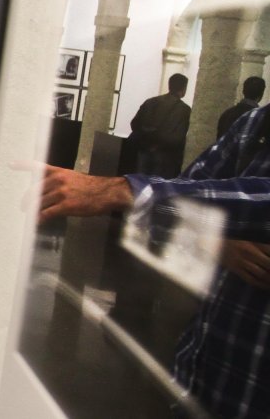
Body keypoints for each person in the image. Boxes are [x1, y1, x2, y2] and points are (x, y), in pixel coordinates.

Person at [41, 104, 270, 418]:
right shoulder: (257, 122)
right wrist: (218, 240)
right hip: (205, 381)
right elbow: (190, 193)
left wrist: (121, 191)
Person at [129, 72, 192, 177]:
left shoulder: (150, 102)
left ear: (169, 85)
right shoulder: (185, 110)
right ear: (184, 88)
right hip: (165, 157)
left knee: (139, 185)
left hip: (143, 151)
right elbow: (178, 138)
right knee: (157, 189)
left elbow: (134, 124)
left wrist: (148, 140)